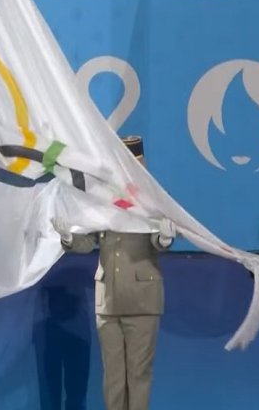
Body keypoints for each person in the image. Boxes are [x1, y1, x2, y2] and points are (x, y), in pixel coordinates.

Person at [51, 135, 176, 410]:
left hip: (142, 297)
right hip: (108, 300)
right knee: (113, 378)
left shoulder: (153, 198)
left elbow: (159, 240)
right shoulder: (102, 198)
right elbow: (89, 241)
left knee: (139, 375)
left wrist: (165, 239)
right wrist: (69, 237)